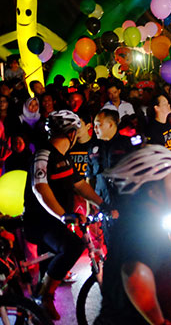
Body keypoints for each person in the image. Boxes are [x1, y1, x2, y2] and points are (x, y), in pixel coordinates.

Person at [22, 110, 107, 320]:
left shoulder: (65, 158)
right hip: (41, 222)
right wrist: (62, 215)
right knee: (74, 246)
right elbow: (40, 188)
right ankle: (45, 296)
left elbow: (80, 186)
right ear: (70, 133)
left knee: (51, 263)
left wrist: (102, 203)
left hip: (56, 222)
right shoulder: (43, 155)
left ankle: (37, 307)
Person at [94, 145, 171, 325]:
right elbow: (134, 274)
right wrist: (160, 322)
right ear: (153, 192)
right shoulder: (145, 230)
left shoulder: (136, 220)